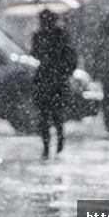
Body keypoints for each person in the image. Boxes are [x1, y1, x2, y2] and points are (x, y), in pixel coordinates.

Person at [30, 10, 78, 158]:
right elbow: (34, 53)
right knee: (47, 116)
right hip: (47, 80)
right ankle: (48, 145)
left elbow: (70, 58)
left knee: (53, 115)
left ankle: (56, 142)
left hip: (53, 80)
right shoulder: (41, 36)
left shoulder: (60, 35)